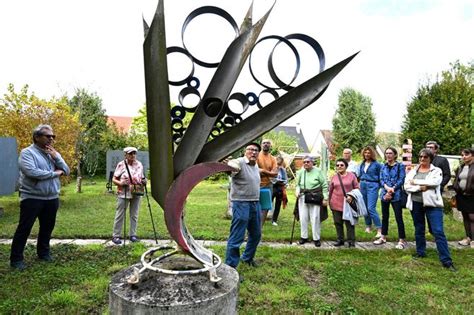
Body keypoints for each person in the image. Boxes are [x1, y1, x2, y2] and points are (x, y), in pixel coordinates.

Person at [10, 124, 70, 270]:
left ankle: (43, 253)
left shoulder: (53, 153)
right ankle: (16, 259)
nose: (51, 139)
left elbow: (66, 170)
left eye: (53, 136)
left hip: (51, 198)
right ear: (36, 137)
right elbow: (32, 172)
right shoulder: (27, 153)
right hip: (32, 197)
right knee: (24, 228)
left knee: (47, 227)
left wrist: (57, 158)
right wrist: (55, 174)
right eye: (48, 136)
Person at [404, 149, 456, 271]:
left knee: (438, 231)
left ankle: (446, 260)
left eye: (425, 157)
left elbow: (435, 182)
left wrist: (415, 182)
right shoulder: (413, 170)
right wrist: (420, 188)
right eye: (421, 157)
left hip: (432, 205)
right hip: (416, 203)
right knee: (419, 228)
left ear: (430, 158)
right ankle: (420, 252)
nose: (422, 159)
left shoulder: (436, 170)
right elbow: (406, 186)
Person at [225, 142, 262, 268]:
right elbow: (232, 168)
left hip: (255, 203)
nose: (253, 152)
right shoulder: (239, 162)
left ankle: (247, 258)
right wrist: (229, 166)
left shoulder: (255, 165)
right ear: (245, 151)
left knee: (256, 234)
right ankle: (230, 267)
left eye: (256, 150)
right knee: (237, 237)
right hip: (241, 203)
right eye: (250, 149)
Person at [111, 147, 146, 245]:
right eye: (130, 154)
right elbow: (114, 179)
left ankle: (133, 235)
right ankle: (116, 235)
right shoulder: (121, 165)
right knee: (120, 214)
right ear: (125, 155)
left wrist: (144, 181)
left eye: (134, 153)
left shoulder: (139, 164)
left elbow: (142, 177)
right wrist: (121, 183)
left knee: (134, 214)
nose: (133, 155)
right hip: (123, 192)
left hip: (137, 192)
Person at [374, 147, 407, 249]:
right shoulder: (383, 166)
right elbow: (381, 179)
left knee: (398, 217)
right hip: (385, 194)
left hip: (396, 194)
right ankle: (383, 237)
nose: (388, 155)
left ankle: (402, 240)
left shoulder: (400, 166)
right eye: (387, 153)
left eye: (390, 153)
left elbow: (401, 179)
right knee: (385, 216)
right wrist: (386, 188)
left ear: (395, 155)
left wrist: (392, 189)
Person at [295, 155, 328, 247]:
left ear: (312, 162)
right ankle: (303, 237)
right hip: (303, 197)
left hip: (315, 196)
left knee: (315, 218)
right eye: (304, 162)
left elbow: (324, 185)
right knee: (303, 217)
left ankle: (316, 238)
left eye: (308, 162)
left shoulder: (318, 171)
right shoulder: (301, 172)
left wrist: (325, 198)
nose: (306, 163)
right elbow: (297, 184)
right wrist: (297, 191)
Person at [328, 158, 359, 247]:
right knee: (338, 223)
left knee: (349, 223)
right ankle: (340, 240)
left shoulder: (352, 176)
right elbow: (330, 190)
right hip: (335, 203)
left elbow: (357, 188)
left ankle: (351, 241)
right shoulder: (334, 177)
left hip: (348, 204)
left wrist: (351, 196)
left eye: (341, 165)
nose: (339, 167)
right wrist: (329, 202)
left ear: (346, 166)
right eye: (337, 165)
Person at [358, 146, 383, 237]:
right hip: (363, 185)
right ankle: (368, 226)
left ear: (372, 154)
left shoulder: (377, 164)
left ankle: (379, 228)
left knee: (371, 208)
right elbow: (360, 175)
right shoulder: (362, 164)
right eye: (365, 153)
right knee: (364, 208)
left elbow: (382, 176)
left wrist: (378, 186)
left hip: (373, 186)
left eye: (369, 153)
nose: (367, 154)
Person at [452, 148, 474, 248]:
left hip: (472, 196)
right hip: (462, 195)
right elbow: (457, 179)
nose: (463, 157)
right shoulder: (461, 167)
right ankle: (468, 238)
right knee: (465, 217)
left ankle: (473, 239)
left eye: (466, 154)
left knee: (472, 217)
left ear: (472, 155)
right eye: (462, 155)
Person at [257, 139, 278, 228]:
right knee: (254, 207)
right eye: (264, 143)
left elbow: (275, 173)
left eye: (268, 143)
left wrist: (263, 171)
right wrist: (268, 173)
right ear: (261, 145)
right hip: (255, 185)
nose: (266, 144)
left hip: (268, 185)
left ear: (270, 146)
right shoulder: (256, 156)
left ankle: (259, 228)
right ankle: (251, 228)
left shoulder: (273, 159)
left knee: (265, 208)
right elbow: (255, 172)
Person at [271, 156, 288, 226]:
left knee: (278, 204)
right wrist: (276, 181)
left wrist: (284, 183)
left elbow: (286, 180)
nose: (279, 166)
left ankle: (274, 220)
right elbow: (270, 178)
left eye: (280, 164)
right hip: (273, 187)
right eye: (277, 164)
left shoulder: (283, 170)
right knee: (268, 203)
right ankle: (263, 217)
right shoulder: (272, 169)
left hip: (280, 188)